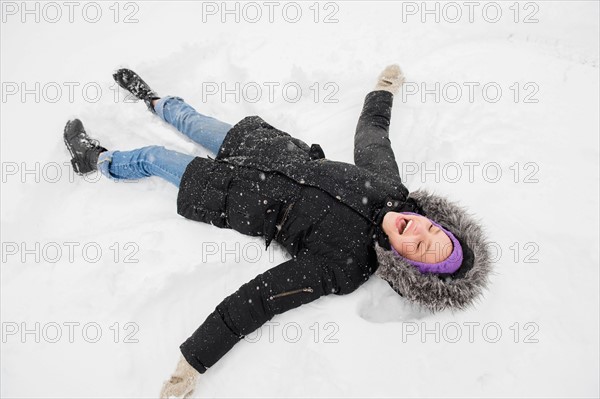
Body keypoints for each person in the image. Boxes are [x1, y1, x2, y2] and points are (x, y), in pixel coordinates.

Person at [64, 65, 493, 398]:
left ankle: (96, 161)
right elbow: (372, 134)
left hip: (232, 194)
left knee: (156, 157)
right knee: (190, 120)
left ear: (406, 261)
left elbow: (261, 299)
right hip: (265, 149)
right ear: (434, 219)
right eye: (430, 229)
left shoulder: (345, 267)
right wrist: (383, 89)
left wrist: (193, 361)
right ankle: (154, 101)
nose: (415, 230)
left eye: (418, 247)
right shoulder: (388, 186)